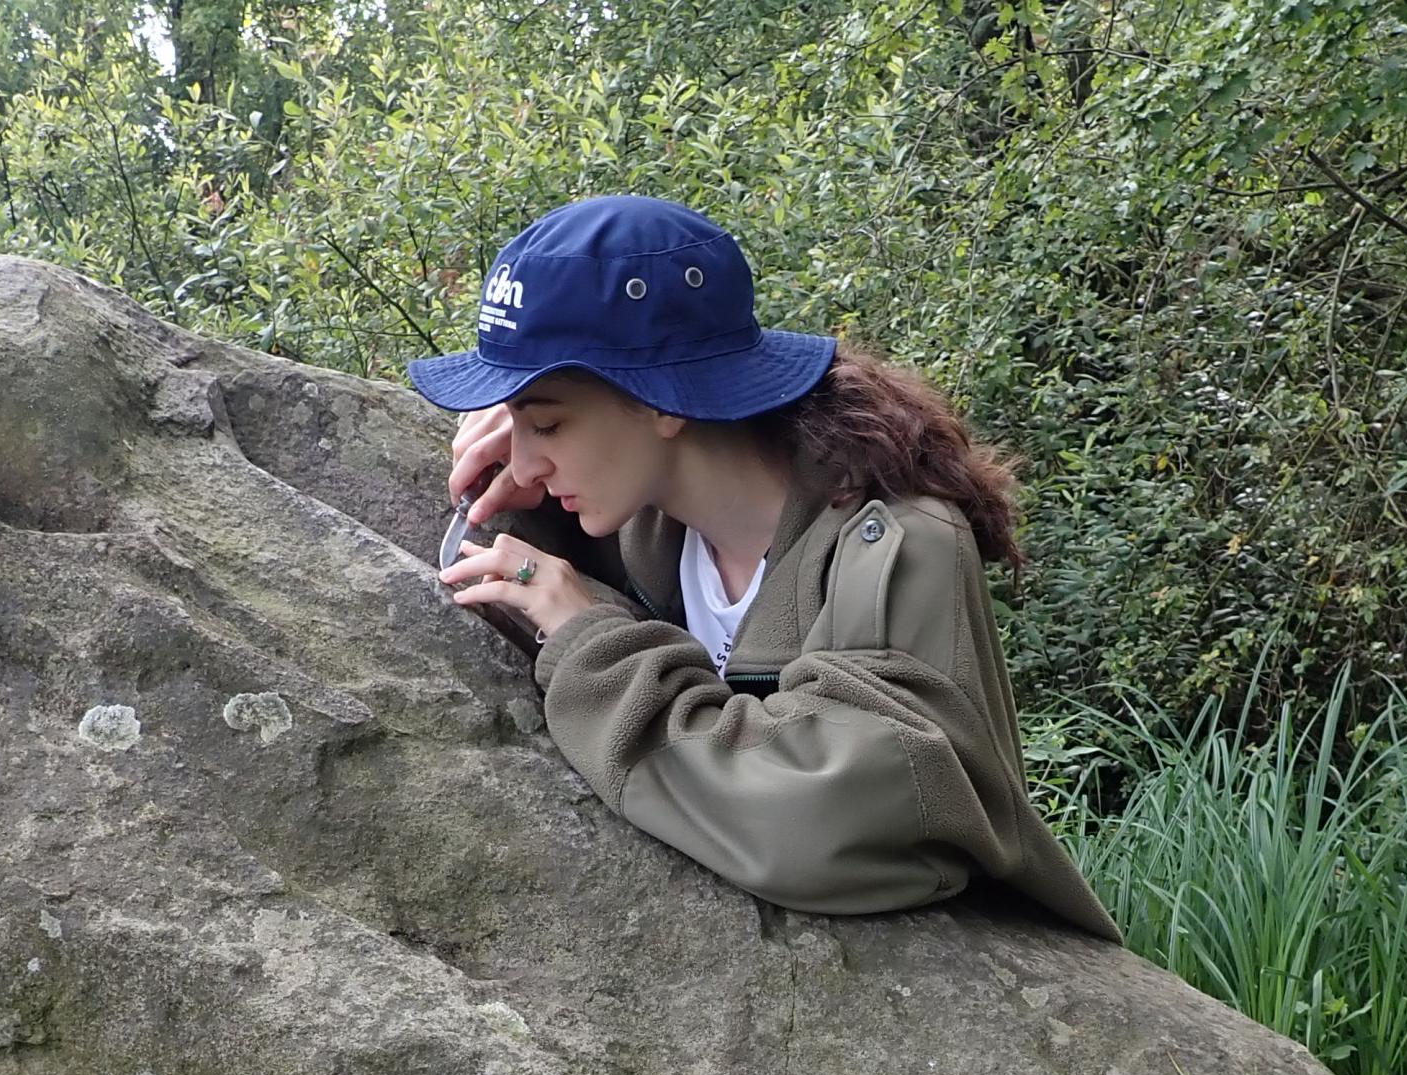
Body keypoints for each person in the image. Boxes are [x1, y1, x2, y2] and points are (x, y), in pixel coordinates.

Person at [406, 194, 1120, 942]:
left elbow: (820, 823)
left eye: (546, 421)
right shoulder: (641, 514)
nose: (521, 455)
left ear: (662, 401)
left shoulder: (895, 548)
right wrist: (517, 483)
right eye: (509, 418)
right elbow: (514, 551)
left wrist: (594, 646)